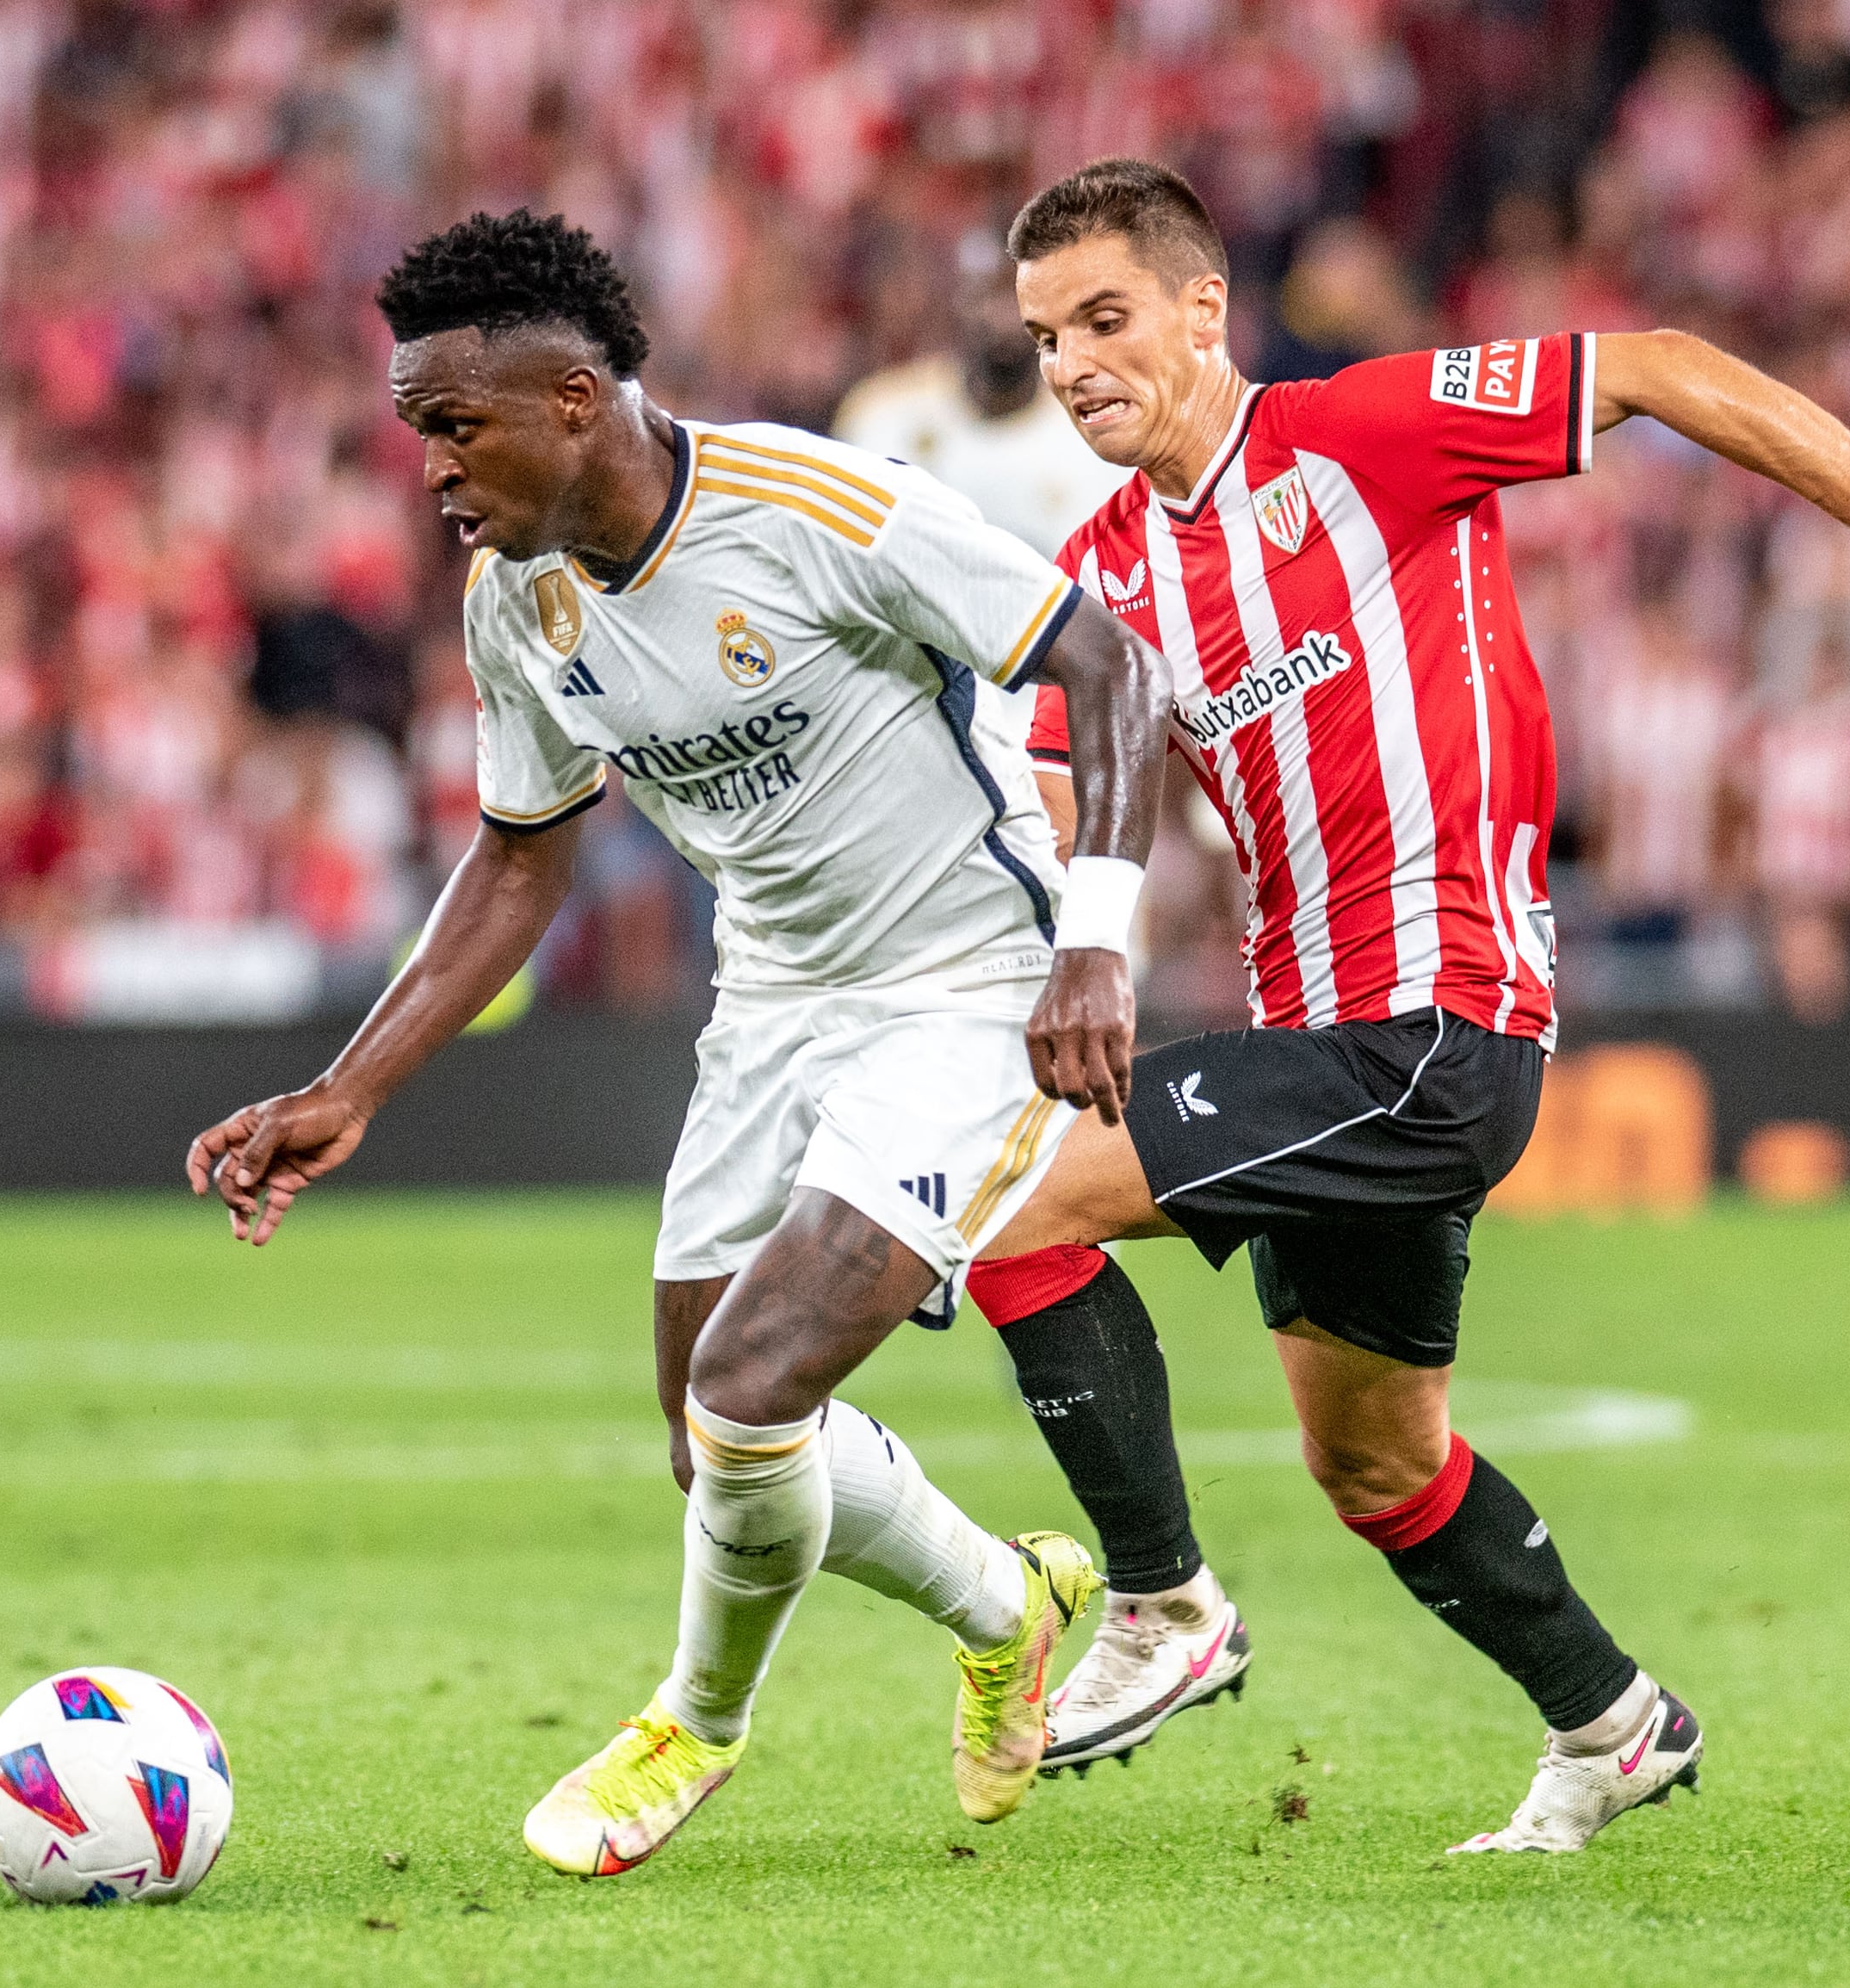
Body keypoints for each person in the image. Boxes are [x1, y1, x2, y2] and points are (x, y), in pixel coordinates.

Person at [974, 158, 1850, 1851]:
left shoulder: (1364, 435)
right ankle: (1611, 1721)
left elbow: (1653, 363)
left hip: (1435, 1023)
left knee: (1009, 1206)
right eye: (1043, 335)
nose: (1072, 361)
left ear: (1203, 308)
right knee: (1377, 1465)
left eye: (1104, 317)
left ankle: (1158, 1601)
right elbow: (1074, 817)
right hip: (1327, 1052)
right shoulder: (1102, 573)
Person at [186, 209, 1172, 1874]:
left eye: (452, 425)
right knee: (711, 1440)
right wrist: (346, 1084)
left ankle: (689, 1728)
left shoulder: (818, 505)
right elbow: (518, 850)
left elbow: (1112, 663)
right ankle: (1007, 1604)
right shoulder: (515, 600)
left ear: (574, 398)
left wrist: (1094, 944)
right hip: (771, 998)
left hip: (965, 981)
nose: (429, 469)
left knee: (749, 1383)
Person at [834, 228, 1129, 559]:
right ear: (957, 300)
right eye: (987, 294)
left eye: (1017, 298)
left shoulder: (1098, 438)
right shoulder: (882, 417)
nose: (1002, 316)